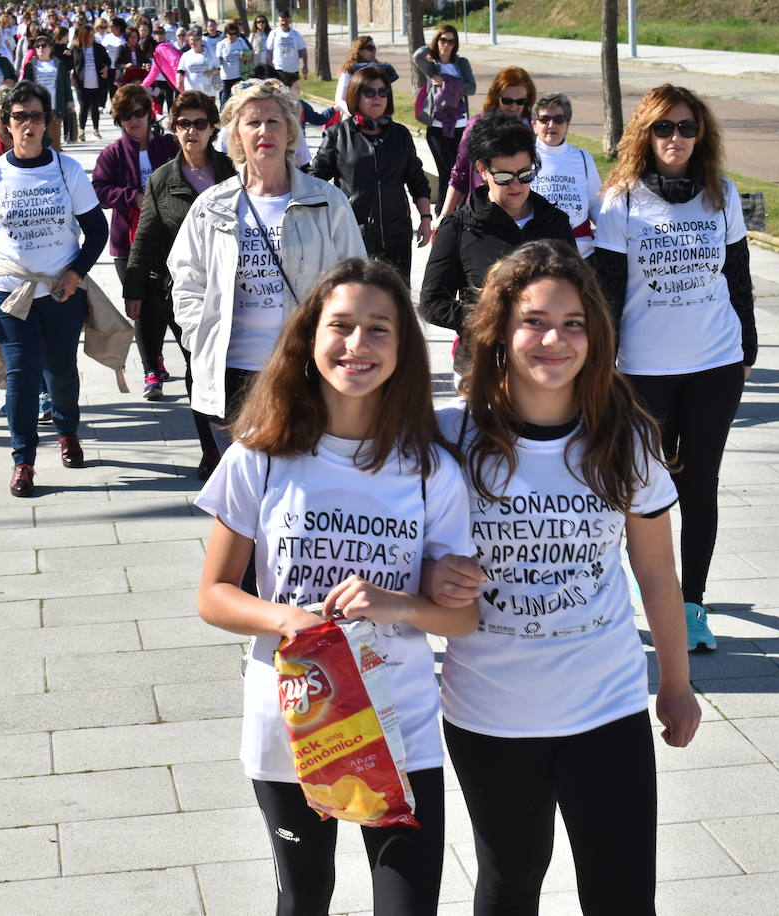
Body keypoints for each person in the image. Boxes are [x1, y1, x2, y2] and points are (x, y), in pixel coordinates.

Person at [427, 239, 701, 915]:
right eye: (534, 321)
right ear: (498, 333)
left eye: (573, 323)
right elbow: (403, 554)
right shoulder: (447, 438)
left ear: (596, 335)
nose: (555, 339)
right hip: (490, 711)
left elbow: (659, 577)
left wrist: (675, 683)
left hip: (606, 706)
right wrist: (436, 575)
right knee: (511, 881)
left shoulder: (624, 437)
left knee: (622, 894)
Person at [194, 257, 474, 916]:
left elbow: (461, 620)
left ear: (403, 349)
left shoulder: (431, 467)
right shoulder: (260, 455)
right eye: (341, 325)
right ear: (309, 337)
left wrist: (399, 603)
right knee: (305, 896)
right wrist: (284, 618)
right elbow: (213, 595)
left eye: (379, 330)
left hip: (398, 726)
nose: (357, 345)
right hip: (291, 722)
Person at [594, 84, 757, 653]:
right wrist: (601, 365)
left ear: (701, 135)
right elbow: (608, 290)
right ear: (645, 133)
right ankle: (631, 595)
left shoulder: (722, 195)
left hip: (715, 361)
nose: (677, 139)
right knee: (641, 485)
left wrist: (749, 351)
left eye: (688, 128)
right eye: (664, 128)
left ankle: (693, 607)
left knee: (700, 484)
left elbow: (737, 276)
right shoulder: (623, 200)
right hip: (645, 371)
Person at [167, 79, 364, 452]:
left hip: (305, 368)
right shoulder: (212, 205)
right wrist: (200, 335)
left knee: (298, 490)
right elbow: (186, 278)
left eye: (274, 121)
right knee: (241, 496)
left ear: (291, 129)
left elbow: (356, 282)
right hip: (233, 374)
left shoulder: (327, 201)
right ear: (235, 135)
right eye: (252, 122)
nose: (264, 131)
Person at [0, 80, 110, 498]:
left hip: (61, 293)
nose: (28, 124)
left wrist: (76, 272)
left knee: (60, 370)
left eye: (36, 116)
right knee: (22, 377)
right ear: (5, 124)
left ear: (48, 122)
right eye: (19, 116)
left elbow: (96, 230)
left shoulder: (67, 170)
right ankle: (23, 459)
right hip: (9, 293)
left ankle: (67, 431)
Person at [124, 90, 235, 479]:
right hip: (185, 293)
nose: (192, 131)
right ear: (173, 130)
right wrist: (133, 289)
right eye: (184, 124)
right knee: (198, 366)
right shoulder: (162, 180)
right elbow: (146, 237)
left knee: (236, 367)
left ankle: (243, 445)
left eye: (200, 123)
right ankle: (211, 449)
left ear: (212, 128)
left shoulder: (234, 171)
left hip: (239, 287)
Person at [418, 112, 572, 377]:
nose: (516, 186)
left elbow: (577, 294)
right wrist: (489, 319)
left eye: (525, 174)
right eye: (503, 177)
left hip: (545, 365)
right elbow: (432, 303)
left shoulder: (555, 223)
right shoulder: (458, 226)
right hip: (481, 369)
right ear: (482, 170)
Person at [92, 83, 180, 399]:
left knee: (165, 303)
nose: (134, 121)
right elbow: (99, 190)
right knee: (139, 304)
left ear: (149, 113)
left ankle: (156, 355)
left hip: (167, 241)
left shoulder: (169, 146)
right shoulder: (112, 154)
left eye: (139, 113)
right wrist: (133, 197)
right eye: (126, 116)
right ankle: (150, 371)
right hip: (126, 244)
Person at [311, 67, 431, 286]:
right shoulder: (338, 134)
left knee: (396, 300)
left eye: (383, 92)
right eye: (370, 92)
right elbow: (315, 181)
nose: (377, 97)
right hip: (352, 235)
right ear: (356, 95)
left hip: (396, 234)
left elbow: (417, 181)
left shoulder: (400, 135)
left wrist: (425, 219)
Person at [442, 66, 535, 215]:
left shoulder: (535, 127)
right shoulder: (477, 125)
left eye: (520, 101)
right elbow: (460, 174)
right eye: (507, 100)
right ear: (495, 97)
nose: (514, 107)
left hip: (524, 214)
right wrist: (444, 216)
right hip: (482, 212)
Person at [531, 91, 602, 258]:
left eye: (558, 119)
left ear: (567, 125)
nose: (551, 125)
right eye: (544, 119)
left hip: (582, 253)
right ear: (534, 125)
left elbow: (595, 203)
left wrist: (611, 231)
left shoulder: (583, 158)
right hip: (540, 252)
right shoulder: (526, 158)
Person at [412, 25, 473, 215]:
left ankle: (460, 210)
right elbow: (417, 56)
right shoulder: (432, 66)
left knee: (461, 170)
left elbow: (471, 88)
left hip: (460, 125)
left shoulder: (461, 64)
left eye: (450, 41)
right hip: (437, 127)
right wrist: (433, 50)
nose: (446, 45)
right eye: (442, 40)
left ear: (456, 44)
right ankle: (442, 213)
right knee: (446, 170)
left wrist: (449, 84)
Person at [21, 36, 72, 149]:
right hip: (37, 107)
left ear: (50, 48)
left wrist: (70, 101)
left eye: (43, 45)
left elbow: (66, 85)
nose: (40, 48)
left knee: (54, 141)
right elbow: (25, 86)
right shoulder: (30, 66)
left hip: (55, 105)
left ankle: (55, 163)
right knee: (37, 139)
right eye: (38, 46)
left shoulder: (58, 64)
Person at [333, 35, 398, 116]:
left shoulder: (379, 70)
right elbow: (339, 100)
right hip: (353, 118)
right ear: (360, 51)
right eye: (370, 48)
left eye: (375, 48)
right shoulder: (349, 71)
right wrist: (354, 114)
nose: (374, 51)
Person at [71, 24, 110, 139]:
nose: (93, 38)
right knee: (83, 106)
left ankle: (96, 129)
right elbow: (70, 63)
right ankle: (81, 130)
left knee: (94, 107)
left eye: (93, 35)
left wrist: (106, 68)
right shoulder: (75, 49)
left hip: (96, 81)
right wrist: (70, 72)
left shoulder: (98, 47)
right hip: (80, 82)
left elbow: (108, 61)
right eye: (90, 35)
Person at [215, 20, 252, 106]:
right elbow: (218, 60)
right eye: (230, 34)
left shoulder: (241, 41)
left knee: (240, 96)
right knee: (225, 98)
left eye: (234, 33)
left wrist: (246, 57)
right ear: (226, 33)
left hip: (240, 75)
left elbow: (249, 53)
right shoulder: (221, 44)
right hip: (226, 76)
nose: (232, 36)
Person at [176, 27, 219, 96]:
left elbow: (218, 69)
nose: (193, 42)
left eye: (196, 40)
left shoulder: (210, 53)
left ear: (201, 40)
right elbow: (180, 71)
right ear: (189, 41)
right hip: (191, 92)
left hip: (208, 92)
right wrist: (178, 81)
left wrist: (211, 72)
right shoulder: (186, 55)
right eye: (191, 40)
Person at [264, 11, 306, 83]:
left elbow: (303, 50)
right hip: (279, 68)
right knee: (280, 91)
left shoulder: (296, 34)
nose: (284, 23)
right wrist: (270, 67)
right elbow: (269, 52)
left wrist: (305, 65)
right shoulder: (274, 33)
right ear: (279, 21)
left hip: (293, 69)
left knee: (293, 91)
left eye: (286, 21)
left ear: (290, 21)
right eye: (282, 21)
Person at [112, 26, 151, 90]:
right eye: (131, 37)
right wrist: (125, 66)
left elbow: (147, 61)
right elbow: (117, 64)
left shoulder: (140, 49)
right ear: (127, 37)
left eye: (135, 37)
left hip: (138, 77)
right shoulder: (121, 48)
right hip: (124, 77)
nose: (134, 39)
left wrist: (147, 65)